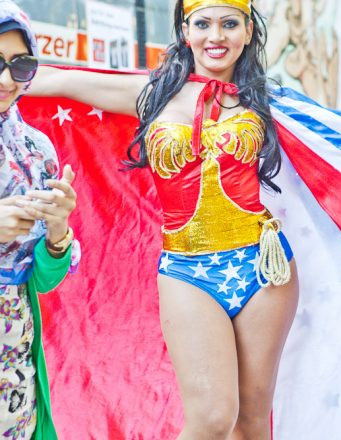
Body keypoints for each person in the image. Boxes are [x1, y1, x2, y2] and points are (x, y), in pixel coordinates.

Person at [31, 0, 298, 438]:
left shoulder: (271, 102)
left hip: (265, 266)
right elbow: (60, 79)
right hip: (188, 270)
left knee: (252, 419)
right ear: (185, 31)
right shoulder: (152, 94)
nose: (216, 36)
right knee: (212, 419)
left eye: (230, 24)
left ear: (248, 32)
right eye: (203, 24)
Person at [0, 2, 78, 439]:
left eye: (21, 64)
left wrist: (57, 230)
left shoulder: (36, 150)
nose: (7, 80)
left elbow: (44, 282)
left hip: (16, 369)